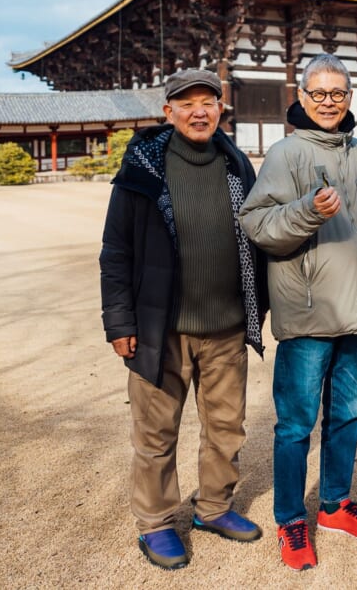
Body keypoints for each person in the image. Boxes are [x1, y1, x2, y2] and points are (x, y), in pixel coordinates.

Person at [99, 68, 268, 570]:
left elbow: (257, 235)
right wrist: (120, 323)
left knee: (226, 428)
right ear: (168, 111)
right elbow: (115, 251)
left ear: (220, 109)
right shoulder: (142, 170)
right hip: (161, 329)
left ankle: (213, 507)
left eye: (208, 102)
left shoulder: (237, 164)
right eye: (187, 103)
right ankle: (155, 522)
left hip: (226, 327)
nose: (199, 112)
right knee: (156, 433)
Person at [239, 53, 357, 571]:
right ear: (301, 97)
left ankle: (334, 504)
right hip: (307, 314)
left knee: (348, 415)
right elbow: (256, 224)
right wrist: (307, 212)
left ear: (350, 97)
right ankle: (290, 519)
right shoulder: (285, 153)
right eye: (318, 93)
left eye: (338, 93)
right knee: (295, 425)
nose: (328, 102)